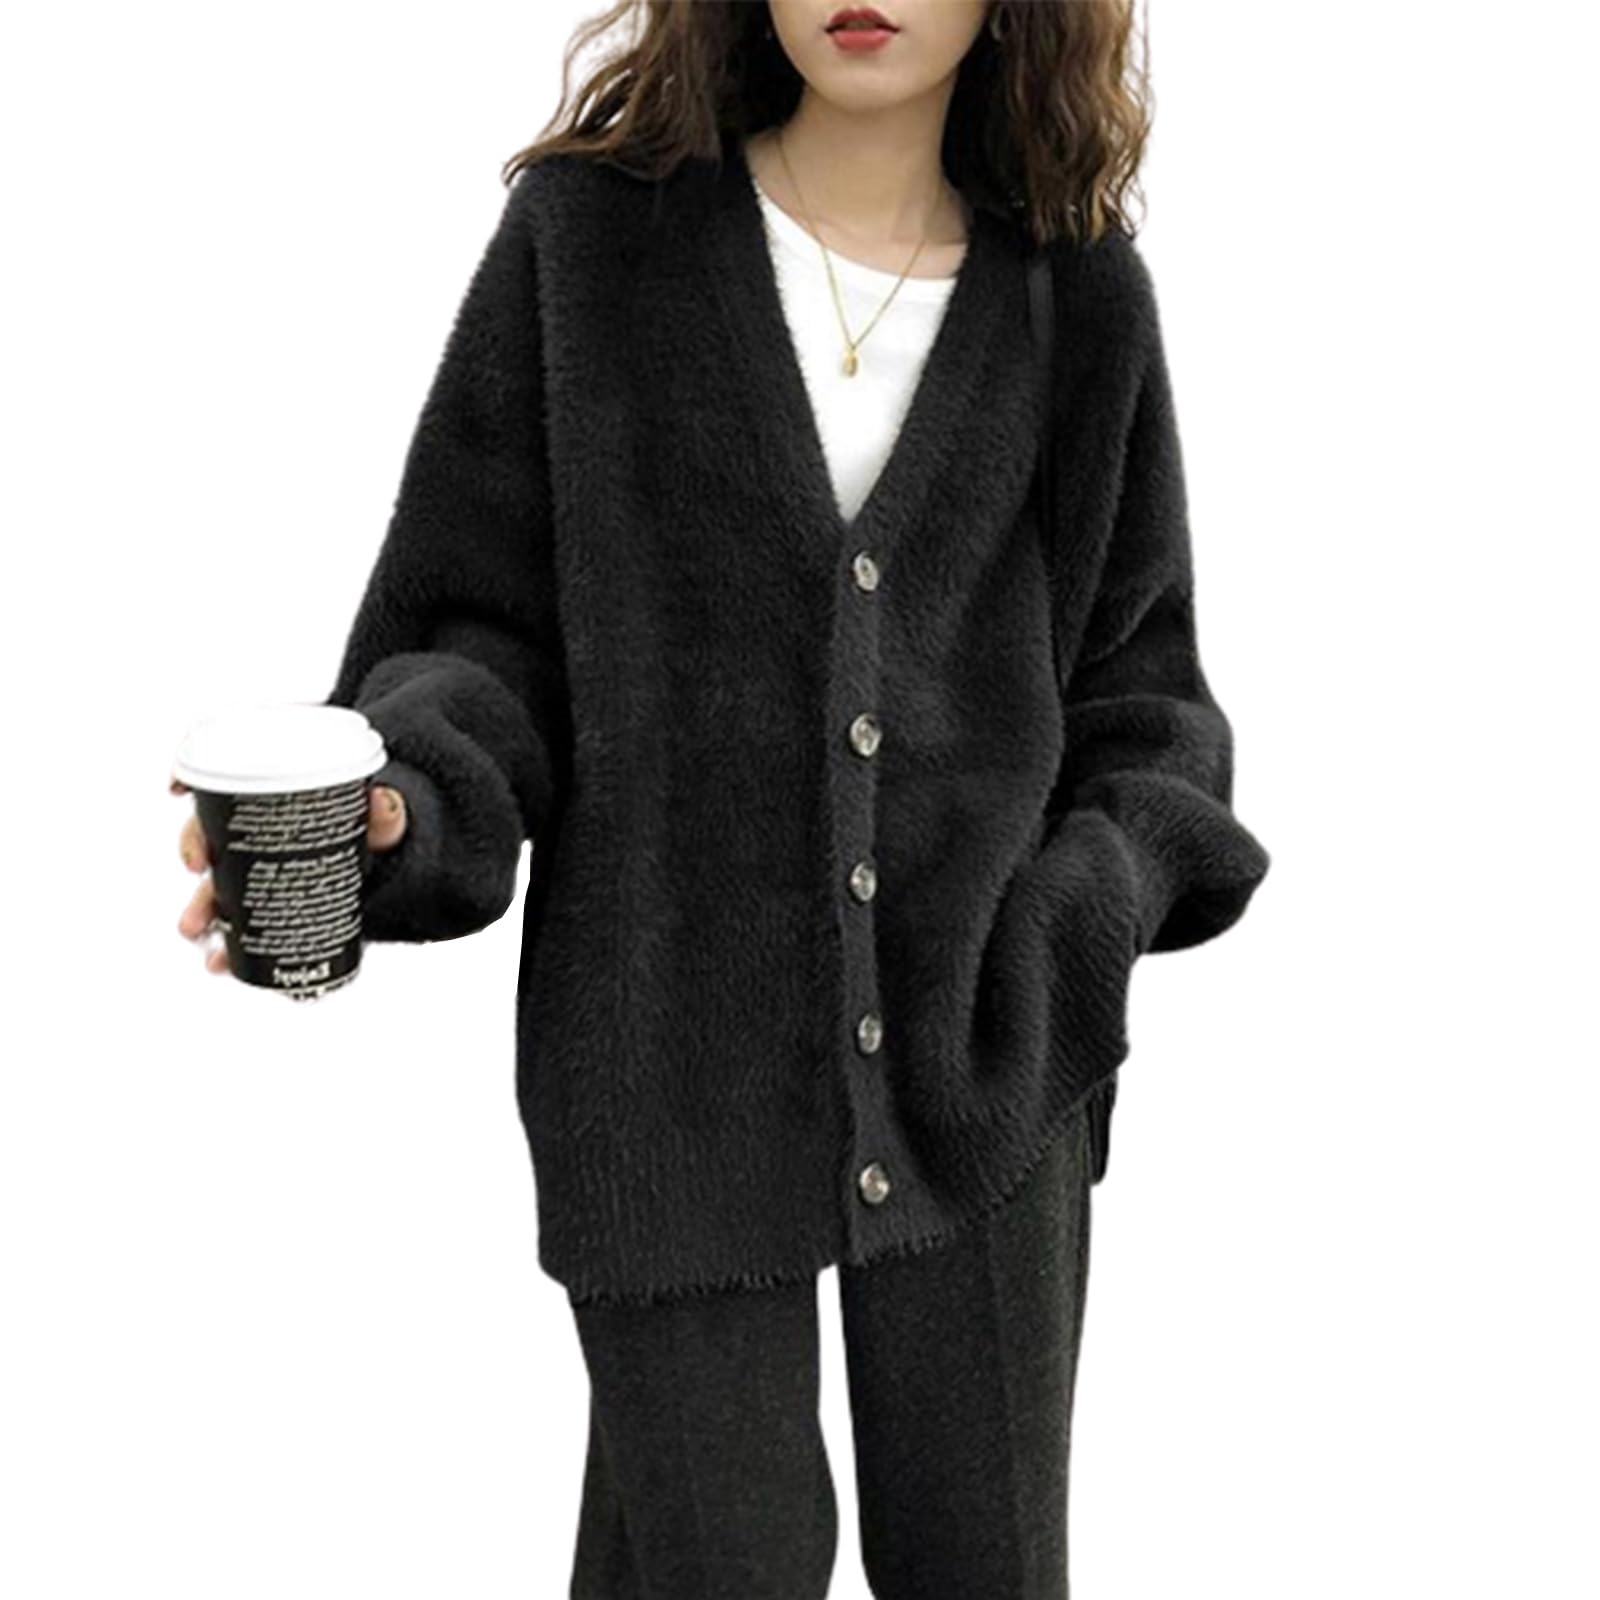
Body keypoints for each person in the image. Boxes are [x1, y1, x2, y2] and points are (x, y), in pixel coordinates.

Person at [173, 2, 1271, 1594]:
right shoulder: (591, 251)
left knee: (989, 1565)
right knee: (718, 1562)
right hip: (664, 1060)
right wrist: (406, 806)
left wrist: (1079, 917)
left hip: (991, 1061)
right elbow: (477, 633)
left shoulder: (1077, 299)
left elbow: (1146, 704)